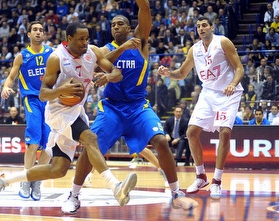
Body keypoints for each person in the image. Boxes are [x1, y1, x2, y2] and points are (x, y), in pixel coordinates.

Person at [62, 0, 198, 214]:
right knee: (91, 146)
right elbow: (99, 63)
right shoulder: (103, 49)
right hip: (112, 107)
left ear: (129, 28)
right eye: (113, 24)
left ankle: (176, 193)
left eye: (120, 24)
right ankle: (74, 195)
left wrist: (141, 4)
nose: (116, 27)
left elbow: (145, 10)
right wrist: (118, 54)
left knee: (161, 141)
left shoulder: (140, 42)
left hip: (137, 107)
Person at [0, 21, 137, 208]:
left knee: (58, 169)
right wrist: (61, 89)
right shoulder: (56, 58)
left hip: (76, 111)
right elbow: (43, 94)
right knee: (90, 138)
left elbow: (117, 72)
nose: (85, 43)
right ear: (69, 39)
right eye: (81, 39)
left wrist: (108, 76)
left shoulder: (92, 53)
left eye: (87, 39)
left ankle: (3, 181)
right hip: (58, 112)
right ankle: (116, 186)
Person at [158, 16, 245, 199]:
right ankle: (201, 176)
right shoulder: (194, 49)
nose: (201, 28)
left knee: (225, 133)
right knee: (191, 133)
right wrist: (168, 73)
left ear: (212, 27)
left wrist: (233, 84)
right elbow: (181, 73)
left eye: (204, 25)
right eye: (198, 26)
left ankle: (217, 181)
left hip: (228, 93)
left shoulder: (223, 42)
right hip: (208, 93)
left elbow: (239, 68)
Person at [0, 21, 53, 201]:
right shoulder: (21, 56)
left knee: (49, 145)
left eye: (41, 30)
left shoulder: (51, 53)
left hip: (51, 100)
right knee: (33, 142)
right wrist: (6, 88)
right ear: (28, 34)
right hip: (32, 100)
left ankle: (37, 180)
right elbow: (11, 77)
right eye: (35, 30)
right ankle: (25, 179)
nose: (38, 32)